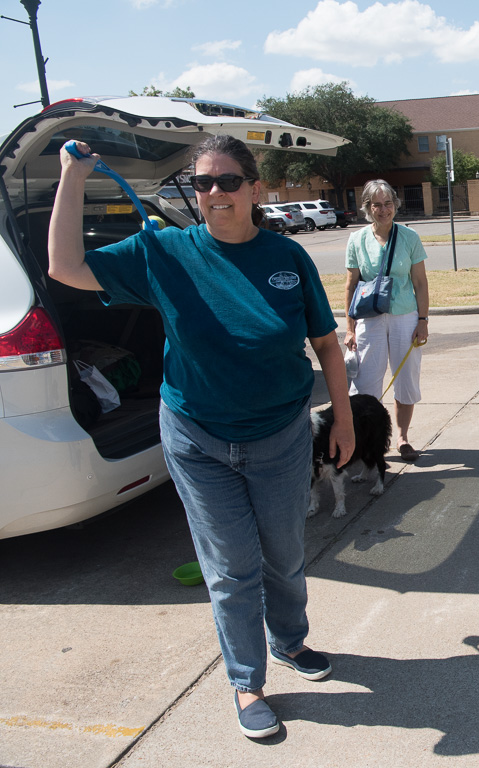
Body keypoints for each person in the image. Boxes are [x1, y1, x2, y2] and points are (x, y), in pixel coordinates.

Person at [47, 134, 354, 740]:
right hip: (198, 437)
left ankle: (290, 641)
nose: (214, 193)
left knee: (285, 558)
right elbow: (65, 267)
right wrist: (71, 177)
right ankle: (247, 683)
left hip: (281, 434)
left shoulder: (287, 258)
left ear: (254, 188)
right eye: (202, 183)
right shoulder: (164, 252)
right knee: (232, 569)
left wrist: (342, 418)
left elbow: (324, 344)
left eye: (228, 181)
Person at [344, 180, 429, 462]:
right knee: (365, 384)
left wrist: (423, 320)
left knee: (406, 379)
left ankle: (403, 438)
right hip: (370, 319)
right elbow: (350, 285)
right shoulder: (356, 239)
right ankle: (365, 444)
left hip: (405, 317)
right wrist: (349, 327)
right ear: (367, 208)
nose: (384, 210)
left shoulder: (409, 237)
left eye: (388, 203)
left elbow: (420, 282)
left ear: (395, 204)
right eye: (377, 205)